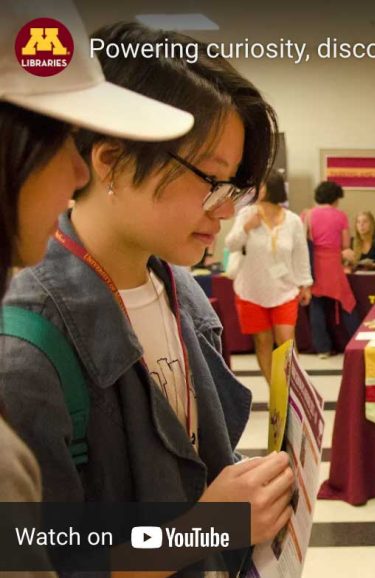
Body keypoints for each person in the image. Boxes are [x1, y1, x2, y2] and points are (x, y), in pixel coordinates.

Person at [0, 20, 293, 571]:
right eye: (210, 180)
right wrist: (209, 528)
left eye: (234, 188)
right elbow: (41, 557)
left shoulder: (181, 287)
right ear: (109, 160)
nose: (225, 209)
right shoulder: (28, 349)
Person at [0, 0, 191, 530]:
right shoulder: (26, 349)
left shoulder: (180, 292)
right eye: (61, 138)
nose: (76, 171)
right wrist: (221, 522)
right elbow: (68, 559)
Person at [226, 172, 312, 382]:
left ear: (272, 188)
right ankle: (275, 392)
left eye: (261, 186)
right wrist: (247, 227)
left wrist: (306, 284)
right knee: (262, 342)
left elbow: (301, 254)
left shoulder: (292, 221)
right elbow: (231, 244)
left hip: (285, 290)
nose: (256, 190)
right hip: (251, 290)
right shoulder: (247, 214)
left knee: (286, 340)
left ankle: (293, 390)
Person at [304, 180, 359, 358]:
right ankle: (357, 344)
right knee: (347, 303)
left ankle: (322, 348)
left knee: (316, 305)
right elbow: (345, 245)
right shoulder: (340, 216)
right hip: (333, 264)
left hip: (313, 264)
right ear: (335, 198)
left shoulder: (307, 215)